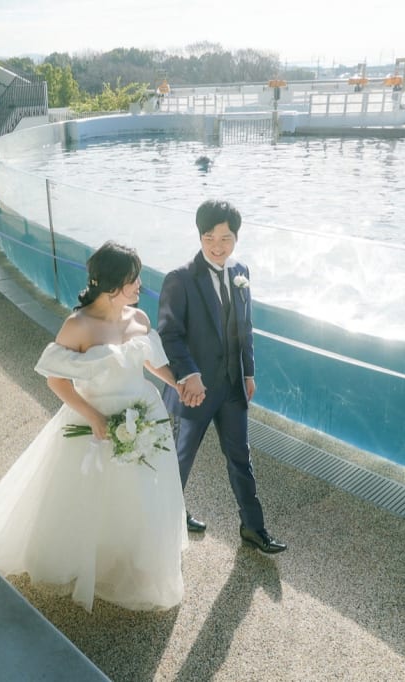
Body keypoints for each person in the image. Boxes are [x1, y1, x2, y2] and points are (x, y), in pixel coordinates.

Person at [0, 241, 187, 612]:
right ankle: (83, 558)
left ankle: (134, 558)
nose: (140, 284)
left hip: (143, 414)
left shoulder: (138, 319)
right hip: (92, 417)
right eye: (132, 279)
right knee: (85, 495)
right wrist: (94, 418)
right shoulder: (77, 326)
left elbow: (151, 362)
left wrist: (177, 383)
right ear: (110, 285)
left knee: (141, 492)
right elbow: (56, 381)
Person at [157, 199, 287, 554]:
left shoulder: (241, 271)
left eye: (226, 238)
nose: (218, 246)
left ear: (236, 238)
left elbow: (244, 328)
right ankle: (167, 517)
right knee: (179, 459)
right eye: (210, 237)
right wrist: (190, 374)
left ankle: (253, 528)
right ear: (200, 237)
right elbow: (168, 334)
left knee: (241, 457)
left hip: (232, 387)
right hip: (193, 392)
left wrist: (249, 372)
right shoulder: (179, 279)